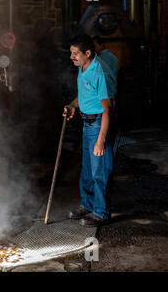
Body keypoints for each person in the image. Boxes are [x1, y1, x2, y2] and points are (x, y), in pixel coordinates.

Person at [64, 34, 117, 227]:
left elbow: (108, 109)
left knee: (99, 171)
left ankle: (101, 212)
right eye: (71, 53)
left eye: (75, 53)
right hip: (87, 125)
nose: (72, 57)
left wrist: (101, 140)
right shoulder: (83, 67)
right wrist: (72, 106)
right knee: (87, 170)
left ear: (87, 53)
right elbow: (85, 93)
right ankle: (87, 205)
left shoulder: (100, 72)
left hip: (98, 125)